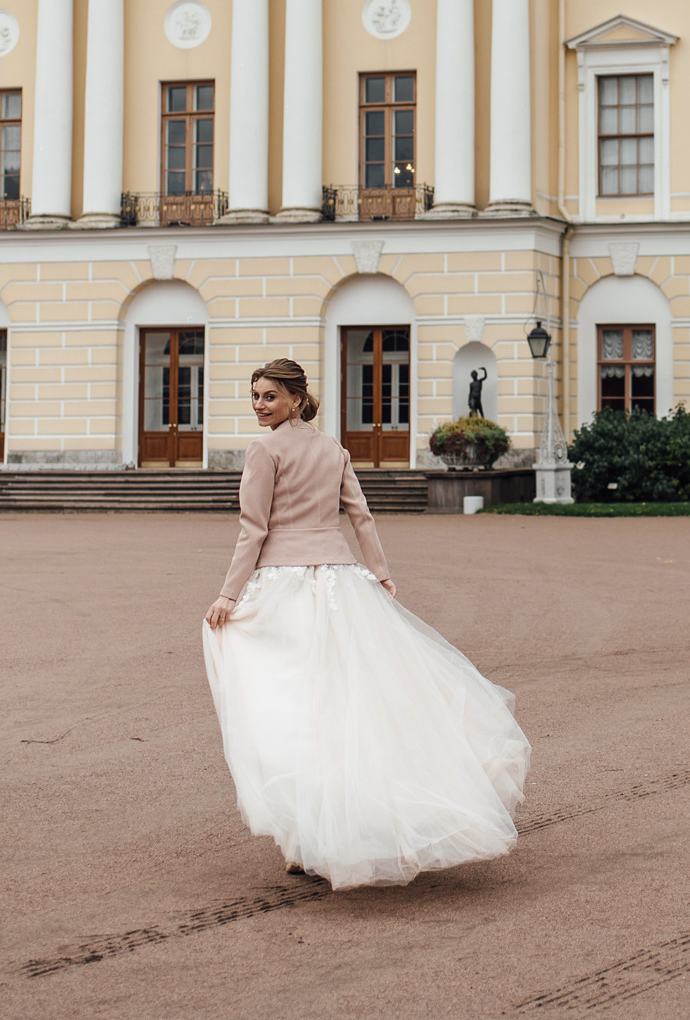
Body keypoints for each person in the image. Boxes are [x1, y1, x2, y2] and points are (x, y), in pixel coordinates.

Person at [203, 358, 529, 888]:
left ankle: (304, 838)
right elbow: (360, 515)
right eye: (255, 395)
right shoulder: (333, 449)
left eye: (268, 396)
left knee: (289, 710)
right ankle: (319, 834)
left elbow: (252, 529)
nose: (259, 405)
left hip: (284, 588)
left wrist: (227, 594)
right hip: (340, 584)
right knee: (343, 707)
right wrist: (378, 573)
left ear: (294, 400)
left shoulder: (264, 449)